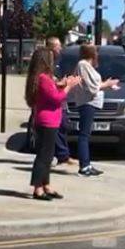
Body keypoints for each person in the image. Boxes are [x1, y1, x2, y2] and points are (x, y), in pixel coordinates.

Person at [25, 47, 80, 200]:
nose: (53, 60)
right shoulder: (43, 78)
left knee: (48, 156)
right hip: (47, 122)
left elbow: (51, 92)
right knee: (43, 156)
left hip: (49, 121)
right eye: (51, 58)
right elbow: (56, 98)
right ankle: (37, 188)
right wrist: (68, 86)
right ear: (45, 61)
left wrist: (61, 84)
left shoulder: (42, 78)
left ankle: (46, 185)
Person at [70, 44, 119, 177]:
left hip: (89, 103)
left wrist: (107, 85)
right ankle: (84, 167)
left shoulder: (86, 65)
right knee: (84, 135)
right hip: (87, 103)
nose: (98, 53)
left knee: (85, 134)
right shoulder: (83, 65)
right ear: (92, 53)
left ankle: (87, 164)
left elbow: (93, 85)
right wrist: (107, 84)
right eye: (96, 51)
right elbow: (92, 88)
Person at [46, 36, 78, 166]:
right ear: (51, 47)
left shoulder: (60, 60)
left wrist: (65, 80)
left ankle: (61, 155)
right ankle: (62, 155)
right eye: (58, 46)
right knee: (57, 127)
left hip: (61, 98)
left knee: (63, 125)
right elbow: (47, 80)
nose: (60, 48)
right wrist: (62, 83)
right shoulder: (46, 61)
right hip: (53, 98)